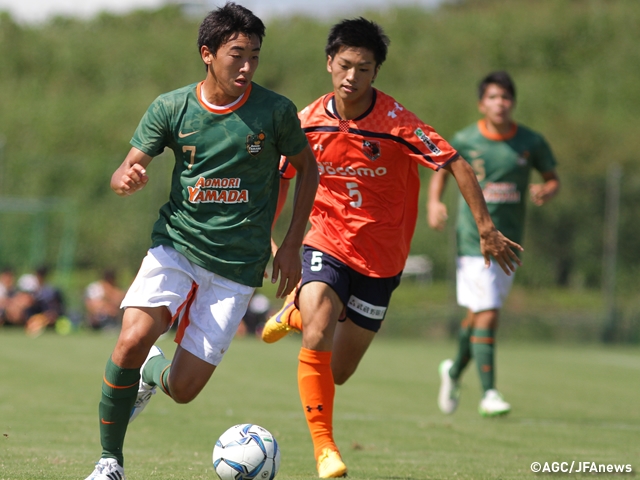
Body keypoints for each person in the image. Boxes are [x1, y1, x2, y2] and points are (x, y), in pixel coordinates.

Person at [261, 20, 522, 478]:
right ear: (329, 63)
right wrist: (278, 241)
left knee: (338, 371)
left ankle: (298, 313)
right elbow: (280, 180)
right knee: (320, 316)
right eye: (344, 65)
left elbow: (455, 163)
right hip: (325, 239)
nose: (351, 77)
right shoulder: (306, 121)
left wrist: (486, 228)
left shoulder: (398, 124)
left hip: (381, 261)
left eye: (363, 68)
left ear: (376, 72)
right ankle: (325, 447)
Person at [84, 3, 318, 479]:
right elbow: (125, 168)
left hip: (237, 266)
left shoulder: (275, 111)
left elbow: (308, 168)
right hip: (177, 246)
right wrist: (124, 177)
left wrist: (291, 243)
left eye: (255, 55)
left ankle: (151, 373)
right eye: (237, 54)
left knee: (184, 389)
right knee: (129, 339)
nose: (248, 66)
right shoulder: (172, 107)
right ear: (207, 54)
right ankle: (110, 463)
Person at [428, 71, 560, 417]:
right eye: (492, 97)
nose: (499, 103)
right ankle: (489, 394)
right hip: (473, 240)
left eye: (505, 97)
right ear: (481, 103)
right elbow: (442, 168)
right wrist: (434, 202)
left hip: (511, 242)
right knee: (488, 313)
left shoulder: (530, 141)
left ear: (513, 102)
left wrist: (547, 189)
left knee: (477, 313)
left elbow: (552, 178)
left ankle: (454, 371)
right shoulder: (466, 139)